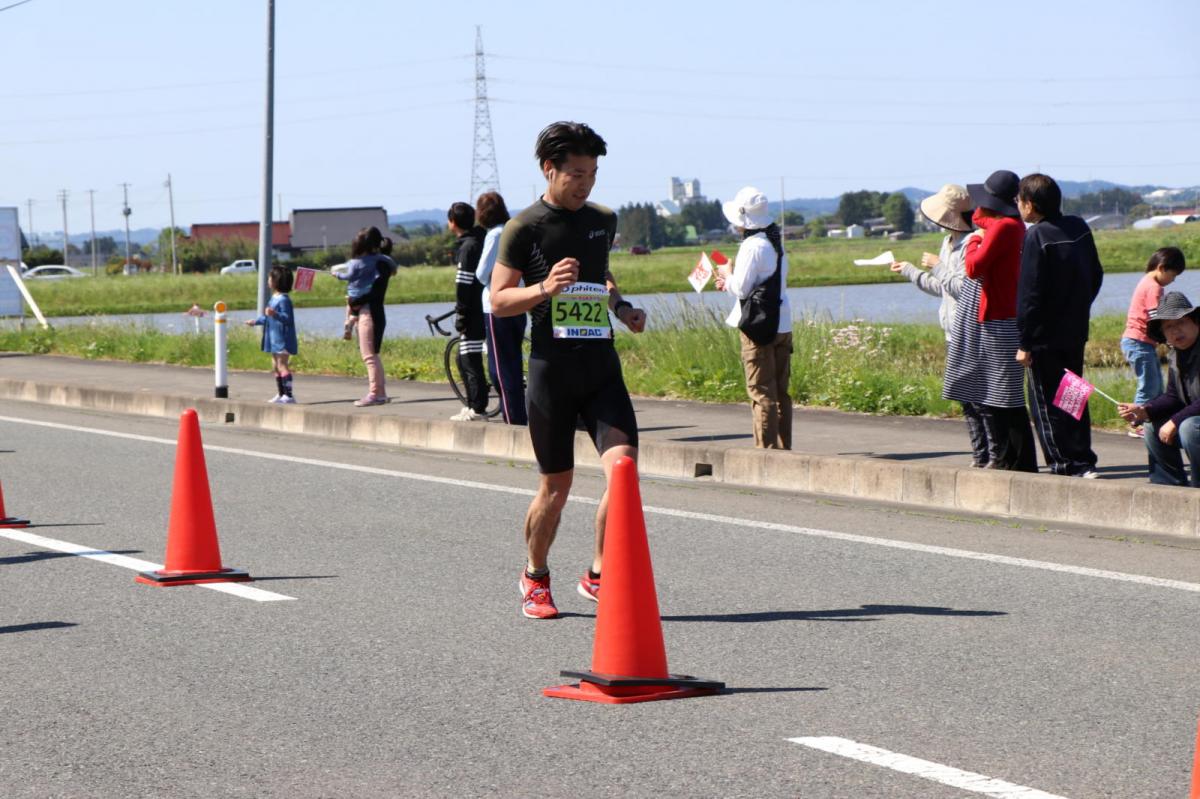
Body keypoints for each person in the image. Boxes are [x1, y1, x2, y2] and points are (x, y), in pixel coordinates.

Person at [490, 121, 647, 620]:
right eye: (576, 173)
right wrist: (544, 289)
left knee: (623, 474)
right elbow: (498, 300)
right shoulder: (524, 228)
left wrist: (622, 309)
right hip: (551, 371)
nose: (586, 183)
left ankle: (598, 573)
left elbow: (602, 274)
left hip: (600, 366)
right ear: (549, 169)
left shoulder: (603, 219)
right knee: (555, 489)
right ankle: (535, 575)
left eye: (593, 173)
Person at [891, 184, 990, 466]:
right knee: (965, 398)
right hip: (952, 332)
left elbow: (964, 289)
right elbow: (942, 288)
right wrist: (910, 271)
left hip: (970, 332)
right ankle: (980, 454)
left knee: (977, 398)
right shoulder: (948, 242)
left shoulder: (971, 243)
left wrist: (937, 266)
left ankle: (987, 456)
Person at [1015, 173, 1103, 478]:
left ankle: (1065, 464)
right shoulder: (1078, 226)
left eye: (1020, 200)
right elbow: (1095, 275)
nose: (1018, 205)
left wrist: (1025, 342)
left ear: (1030, 204)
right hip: (1075, 331)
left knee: (1045, 403)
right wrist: (1078, 309)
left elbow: (1030, 295)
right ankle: (1083, 459)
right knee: (1073, 396)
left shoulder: (1036, 236)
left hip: (1044, 339)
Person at [954, 169, 1037, 471]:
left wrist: (974, 240)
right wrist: (981, 227)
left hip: (999, 318)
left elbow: (974, 267)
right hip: (1002, 314)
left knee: (1003, 396)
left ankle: (1012, 460)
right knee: (999, 394)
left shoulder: (1003, 228)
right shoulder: (1012, 226)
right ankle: (1012, 459)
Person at [714, 186, 793, 450]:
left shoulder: (752, 246)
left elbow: (742, 289)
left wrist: (726, 274)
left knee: (761, 392)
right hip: (782, 321)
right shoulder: (774, 242)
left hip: (758, 327)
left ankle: (765, 453)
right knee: (781, 393)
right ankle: (784, 449)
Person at [1119, 292, 1200, 487]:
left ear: (1196, 322)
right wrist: (1144, 410)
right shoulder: (1176, 355)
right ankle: (1169, 486)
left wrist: (1175, 420)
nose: (1175, 331)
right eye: (1168, 327)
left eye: (1181, 322)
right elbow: (1173, 396)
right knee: (1151, 425)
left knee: (1190, 427)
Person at [475, 191, 528, 425]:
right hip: (518, 302)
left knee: (500, 367)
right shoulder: (514, 229)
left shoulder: (494, 234)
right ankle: (517, 413)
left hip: (496, 306)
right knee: (513, 361)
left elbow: (481, 272)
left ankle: (513, 418)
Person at [1121, 247, 1185, 436]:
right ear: (1162, 268)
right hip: (1137, 341)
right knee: (1149, 384)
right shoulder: (1153, 287)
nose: (1173, 280)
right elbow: (1157, 317)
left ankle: (1151, 420)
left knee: (1155, 385)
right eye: (1173, 275)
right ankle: (1136, 423)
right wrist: (1171, 340)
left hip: (1140, 342)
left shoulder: (1148, 281)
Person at [334, 226, 393, 407]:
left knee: (369, 356)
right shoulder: (382, 263)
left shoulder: (377, 265)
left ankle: (375, 393)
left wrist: (354, 302)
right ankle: (380, 393)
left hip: (370, 313)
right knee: (373, 355)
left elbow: (375, 293)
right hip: (372, 312)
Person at [448, 202, 490, 421]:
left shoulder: (467, 247)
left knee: (469, 360)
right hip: (485, 306)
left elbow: (463, 284)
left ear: (452, 223)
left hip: (473, 311)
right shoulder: (482, 239)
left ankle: (477, 408)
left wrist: (461, 314)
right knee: (464, 357)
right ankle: (474, 404)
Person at [244, 265, 297, 404]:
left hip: (282, 338)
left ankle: (289, 395)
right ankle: (281, 394)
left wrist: (275, 314)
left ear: (276, 281)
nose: (268, 280)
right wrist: (255, 321)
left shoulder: (284, 300)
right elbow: (267, 317)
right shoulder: (274, 298)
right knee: (275, 365)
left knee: (282, 364)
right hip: (273, 338)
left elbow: (288, 319)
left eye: (270, 278)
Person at [334, 228, 381, 342]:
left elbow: (348, 275)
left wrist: (338, 275)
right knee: (360, 317)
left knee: (351, 310)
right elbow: (378, 275)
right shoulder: (374, 260)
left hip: (352, 297)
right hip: (365, 296)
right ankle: (361, 340)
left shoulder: (352, 262)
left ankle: (348, 322)